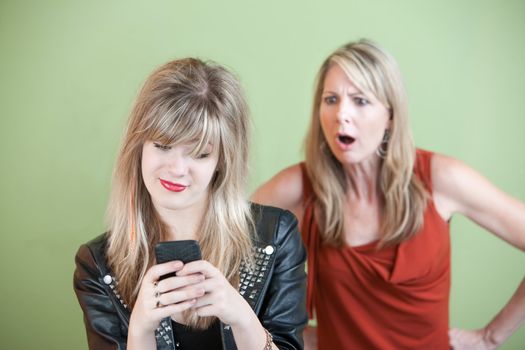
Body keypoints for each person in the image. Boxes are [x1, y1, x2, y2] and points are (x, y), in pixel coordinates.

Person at [252, 39, 525, 349]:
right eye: (331, 99)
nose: (342, 113)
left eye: (360, 100)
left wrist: (490, 337)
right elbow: (222, 234)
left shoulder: (442, 178)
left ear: (391, 115)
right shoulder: (299, 187)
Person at [73, 58, 307, 350]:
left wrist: (242, 318)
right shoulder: (97, 265)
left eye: (199, 153)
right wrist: (141, 329)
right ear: (139, 148)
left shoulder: (276, 236)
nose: (177, 168)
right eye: (162, 145)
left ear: (222, 161)